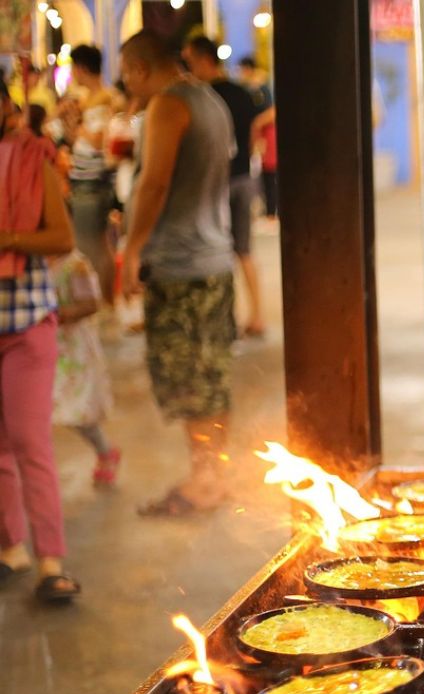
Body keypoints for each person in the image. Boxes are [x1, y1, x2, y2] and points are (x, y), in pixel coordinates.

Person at [119, 30, 237, 515]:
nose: (125, 84)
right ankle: (211, 474)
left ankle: (205, 482)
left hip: (181, 267)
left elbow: (154, 183)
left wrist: (131, 251)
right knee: (210, 375)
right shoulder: (208, 99)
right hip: (212, 258)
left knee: (192, 380)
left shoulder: (169, 105)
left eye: (126, 73)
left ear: (140, 69)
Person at [0, 89, 81, 601]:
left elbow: (62, 238)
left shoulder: (35, 158)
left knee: (30, 442)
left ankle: (51, 563)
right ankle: (12, 548)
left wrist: (8, 238)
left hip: (27, 324)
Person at [183, 36, 266, 337]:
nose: (188, 70)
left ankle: (225, 318)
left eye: (190, 62)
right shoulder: (242, 93)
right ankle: (257, 315)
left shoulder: (203, 98)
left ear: (204, 60)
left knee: (217, 252)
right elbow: (256, 128)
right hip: (245, 177)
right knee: (244, 250)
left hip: (217, 183)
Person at [64, 45, 124, 314]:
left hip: (93, 181)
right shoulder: (89, 99)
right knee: (97, 245)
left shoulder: (104, 100)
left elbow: (100, 141)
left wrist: (77, 126)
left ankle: (106, 305)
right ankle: (105, 304)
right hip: (85, 179)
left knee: (94, 247)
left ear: (82, 68)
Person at [52, 251, 119, 486]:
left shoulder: (76, 264)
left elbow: (92, 304)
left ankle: (105, 452)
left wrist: (55, 315)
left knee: (77, 413)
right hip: (44, 349)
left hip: (73, 352)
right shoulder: (31, 260)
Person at [238, 57, 277, 219]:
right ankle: (267, 210)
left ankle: (271, 212)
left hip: (265, 136)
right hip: (258, 135)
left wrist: (257, 124)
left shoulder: (262, 89)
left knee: (269, 174)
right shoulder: (249, 89)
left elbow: (271, 111)